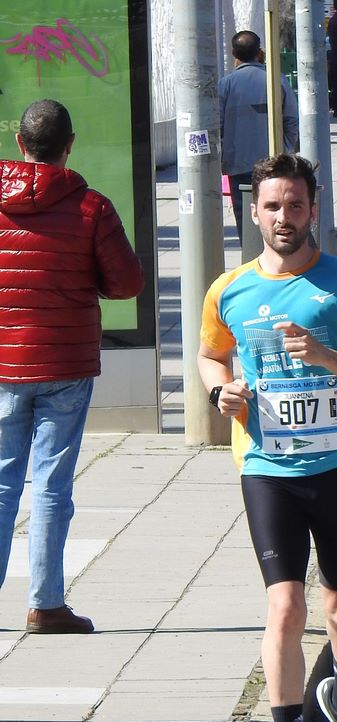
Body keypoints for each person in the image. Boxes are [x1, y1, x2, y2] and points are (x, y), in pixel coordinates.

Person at [198, 153, 337, 722]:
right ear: (254, 212)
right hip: (267, 466)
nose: (284, 217)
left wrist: (325, 355)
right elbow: (211, 356)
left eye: (296, 205)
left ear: (314, 208)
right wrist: (219, 390)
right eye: (273, 206)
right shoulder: (229, 290)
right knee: (285, 604)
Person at [0, 99, 144, 635]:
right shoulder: (92, 208)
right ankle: (45, 603)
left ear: (20, 144)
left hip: (3, 363)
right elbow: (127, 283)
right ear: (70, 144)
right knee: (51, 485)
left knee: (0, 484)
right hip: (64, 363)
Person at [219, 30, 300, 244]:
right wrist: (285, 149)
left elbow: (216, 126)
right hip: (273, 162)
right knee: (276, 216)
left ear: (234, 53)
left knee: (246, 223)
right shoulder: (276, 80)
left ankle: (250, 260)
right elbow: (292, 120)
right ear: (259, 51)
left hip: (238, 166)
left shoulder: (225, 85)